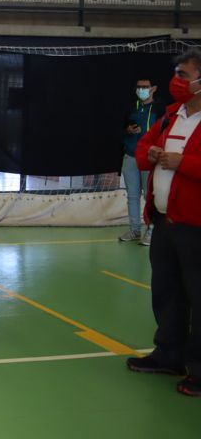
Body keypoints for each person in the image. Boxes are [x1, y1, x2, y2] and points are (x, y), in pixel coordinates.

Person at [127, 49, 201, 398]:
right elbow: (142, 151)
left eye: (184, 75)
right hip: (165, 222)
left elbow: (185, 164)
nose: (176, 81)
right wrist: (154, 153)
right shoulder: (171, 116)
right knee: (167, 292)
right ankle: (169, 354)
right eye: (176, 73)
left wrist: (182, 162)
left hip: (195, 226)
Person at [121, 77, 161, 245]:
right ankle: (134, 230)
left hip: (149, 158)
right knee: (132, 196)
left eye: (145, 87)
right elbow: (122, 127)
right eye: (139, 87)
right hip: (130, 156)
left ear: (153, 89)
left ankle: (151, 230)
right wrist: (128, 129)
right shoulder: (131, 107)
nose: (141, 90)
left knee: (150, 196)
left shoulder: (159, 109)